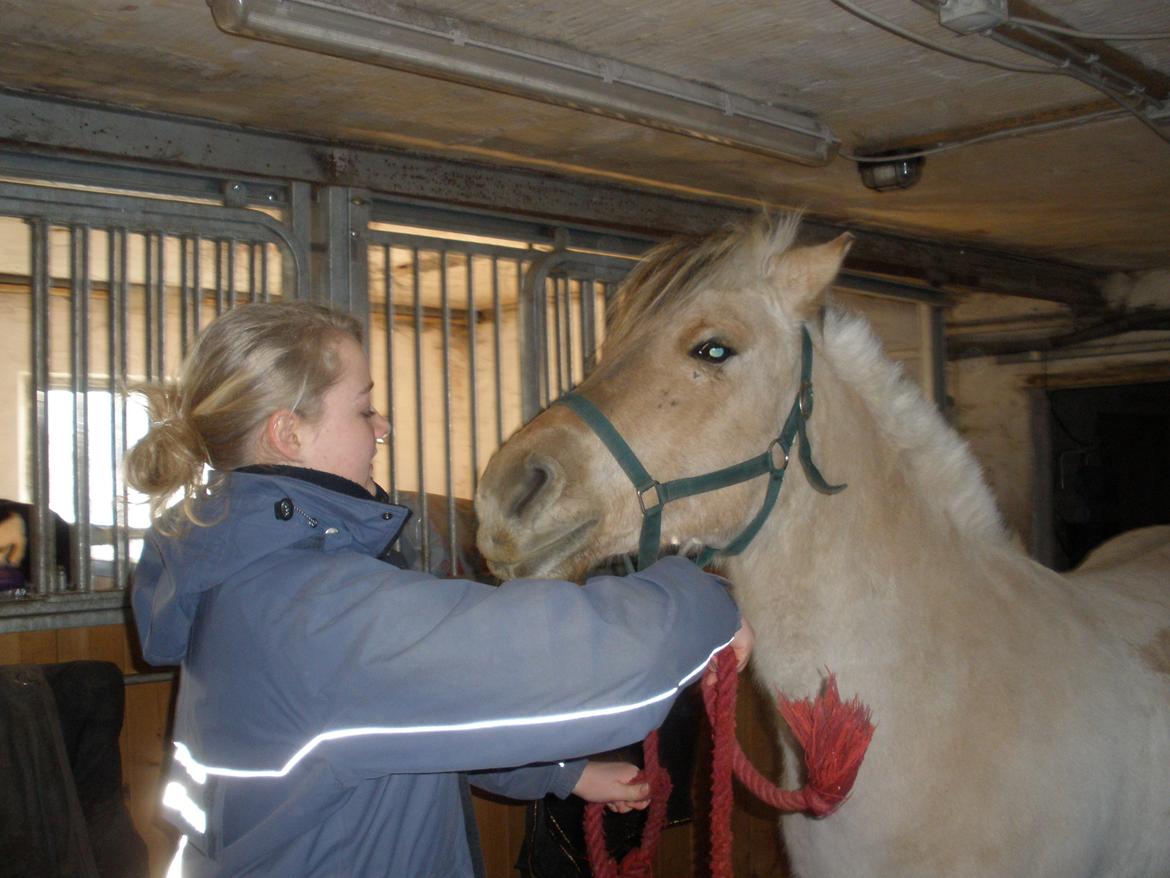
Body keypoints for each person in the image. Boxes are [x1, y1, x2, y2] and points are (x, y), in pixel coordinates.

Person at [126, 300, 752, 878]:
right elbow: (591, 654)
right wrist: (707, 597)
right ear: (289, 435)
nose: (383, 424)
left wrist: (561, 771)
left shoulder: (239, 575)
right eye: (363, 407)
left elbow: (385, 723)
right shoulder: (308, 609)